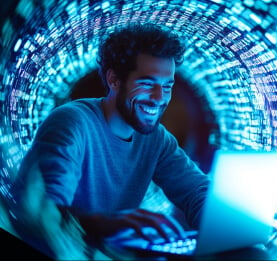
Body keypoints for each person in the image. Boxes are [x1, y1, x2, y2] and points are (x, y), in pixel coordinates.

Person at [11, 23, 210, 259]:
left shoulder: (157, 139)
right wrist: (102, 223)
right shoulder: (72, 122)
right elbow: (41, 213)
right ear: (114, 80)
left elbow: (196, 191)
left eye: (167, 87)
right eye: (147, 84)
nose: (159, 98)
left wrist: (224, 224)